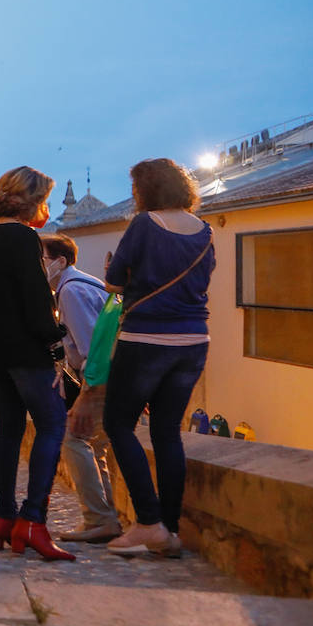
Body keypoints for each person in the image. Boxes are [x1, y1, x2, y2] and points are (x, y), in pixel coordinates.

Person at [103, 158, 215, 558]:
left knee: (118, 424)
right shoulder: (205, 231)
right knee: (167, 432)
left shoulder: (145, 224)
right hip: (194, 342)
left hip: (147, 338)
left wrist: (122, 276)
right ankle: (169, 529)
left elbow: (114, 284)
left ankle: (147, 522)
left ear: (146, 190)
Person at [0, 167, 75, 562]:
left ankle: (3, 518)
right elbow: (36, 302)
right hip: (25, 349)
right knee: (53, 424)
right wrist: (56, 345)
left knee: (9, 432)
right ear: (33, 201)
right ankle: (32, 520)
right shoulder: (23, 237)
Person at [41, 233, 122, 544]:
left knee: (73, 439)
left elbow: (91, 349)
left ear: (61, 261)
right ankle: (105, 516)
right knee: (97, 445)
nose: (40, 266)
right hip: (116, 376)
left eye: (43, 260)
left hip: (101, 377)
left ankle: (99, 519)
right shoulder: (85, 284)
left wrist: (89, 394)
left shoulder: (71, 292)